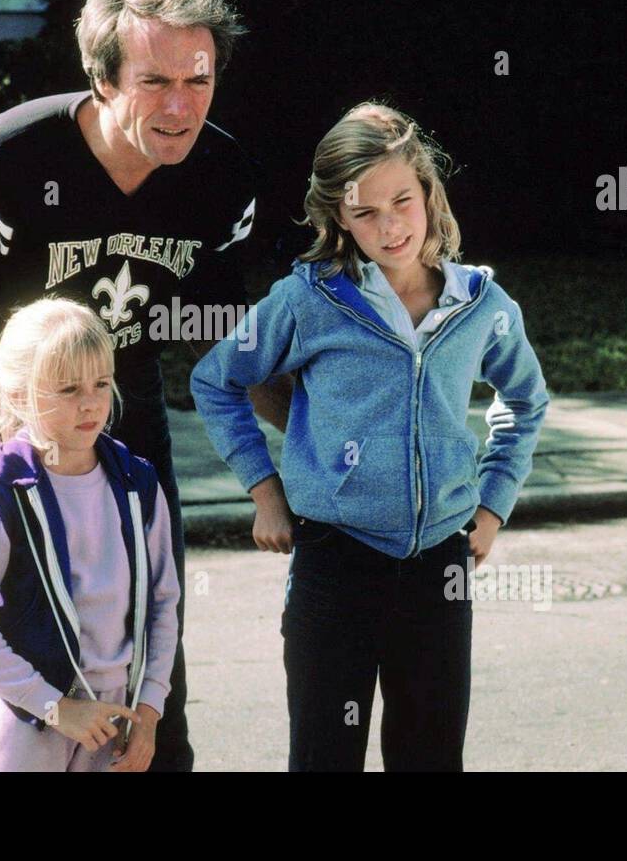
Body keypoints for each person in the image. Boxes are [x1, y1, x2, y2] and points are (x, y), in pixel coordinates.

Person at [0, 0, 293, 771]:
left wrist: (321, 447)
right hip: (5, 411)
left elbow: (226, 336)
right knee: (16, 633)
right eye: (155, 81)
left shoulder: (220, 179)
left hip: (124, 391)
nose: (182, 105)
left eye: (199, 77)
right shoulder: (4, 163)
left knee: (153, 617)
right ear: (103, 78)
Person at [190, 101, 550, 771]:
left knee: (430, 757)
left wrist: (495, 502)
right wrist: (265, 492)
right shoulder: (306, 302)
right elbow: (217, 379)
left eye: (403, 202)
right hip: (334, 567)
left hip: (439, 572)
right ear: (335, 217)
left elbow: (526, 401)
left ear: (430, 193)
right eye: (364, 212)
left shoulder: (483, 308)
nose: (389, 228)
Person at [0, 298, 179, 772]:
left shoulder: (137, 483)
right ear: (19, 394)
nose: (90, 403)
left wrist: (150, 709)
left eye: (101, 384)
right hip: (29, 718)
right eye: (68, 388)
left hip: (118, 718)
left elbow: (163, 602)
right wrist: (53, 706)